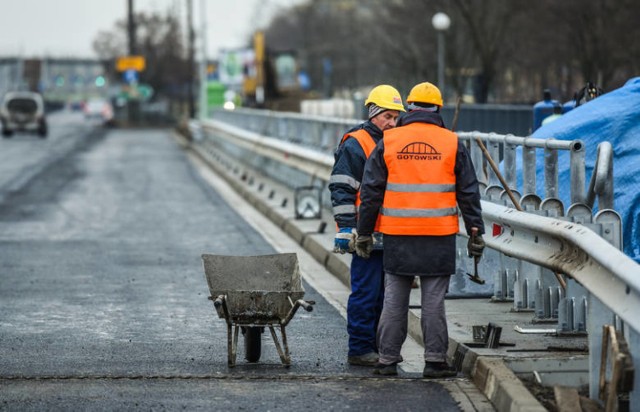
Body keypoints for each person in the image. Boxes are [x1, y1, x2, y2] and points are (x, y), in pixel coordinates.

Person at [354, 82, 485, 377]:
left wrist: (364, 232)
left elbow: (371, 190)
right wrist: (475, 230)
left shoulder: (389, 141)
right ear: (438, 109)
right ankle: (435, 360)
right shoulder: (451, 142)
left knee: (394, 299)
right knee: (433, 301)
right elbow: (468, 192)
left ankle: (387, 360)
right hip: (438, 235)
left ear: (409, 107)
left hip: (398, 234)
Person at [329, 84, 405, 366]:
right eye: (387, 116)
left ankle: (378, 347)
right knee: (366, 293)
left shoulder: (397, 141)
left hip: (394, 232)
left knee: (387, 296)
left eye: (396, 117)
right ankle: (360, 348)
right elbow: (341, 188)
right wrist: (346, 227)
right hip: (367, 234)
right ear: (373, 113)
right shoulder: (357, 143)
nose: (392, 122)